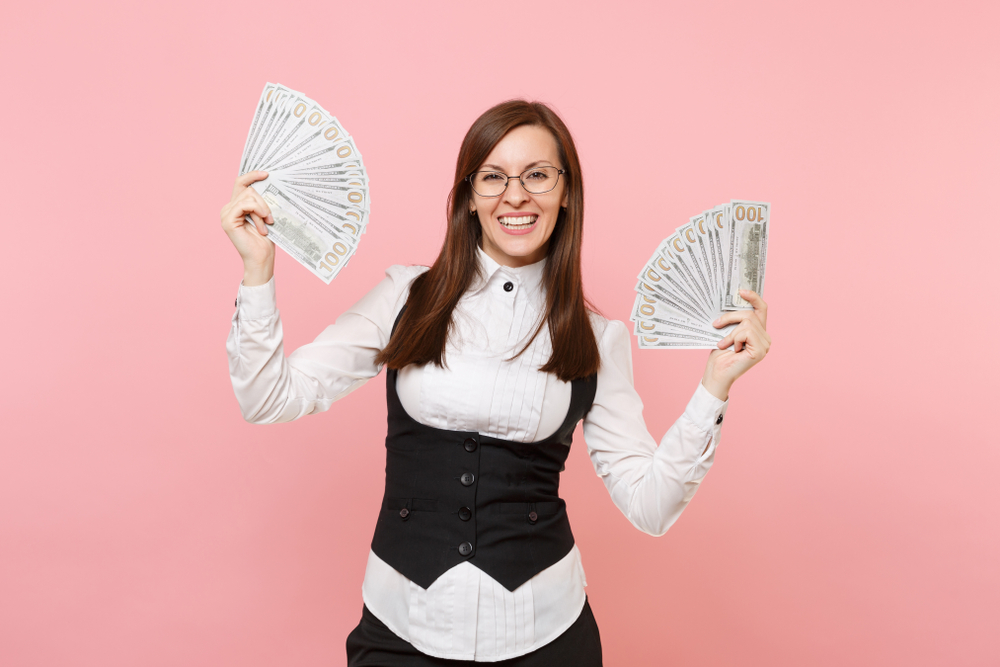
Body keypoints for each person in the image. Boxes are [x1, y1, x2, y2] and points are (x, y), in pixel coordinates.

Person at [221, 100, 771, 666]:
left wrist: (714, 386)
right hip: (399, 627)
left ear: (566, 193)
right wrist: (257, 271)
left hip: (547, 634)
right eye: (492, 177)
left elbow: (651, 506)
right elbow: (267, 398)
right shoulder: (404, 296)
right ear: (468, 197)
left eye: (537, 175)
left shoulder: (598, 338)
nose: (515, 196)